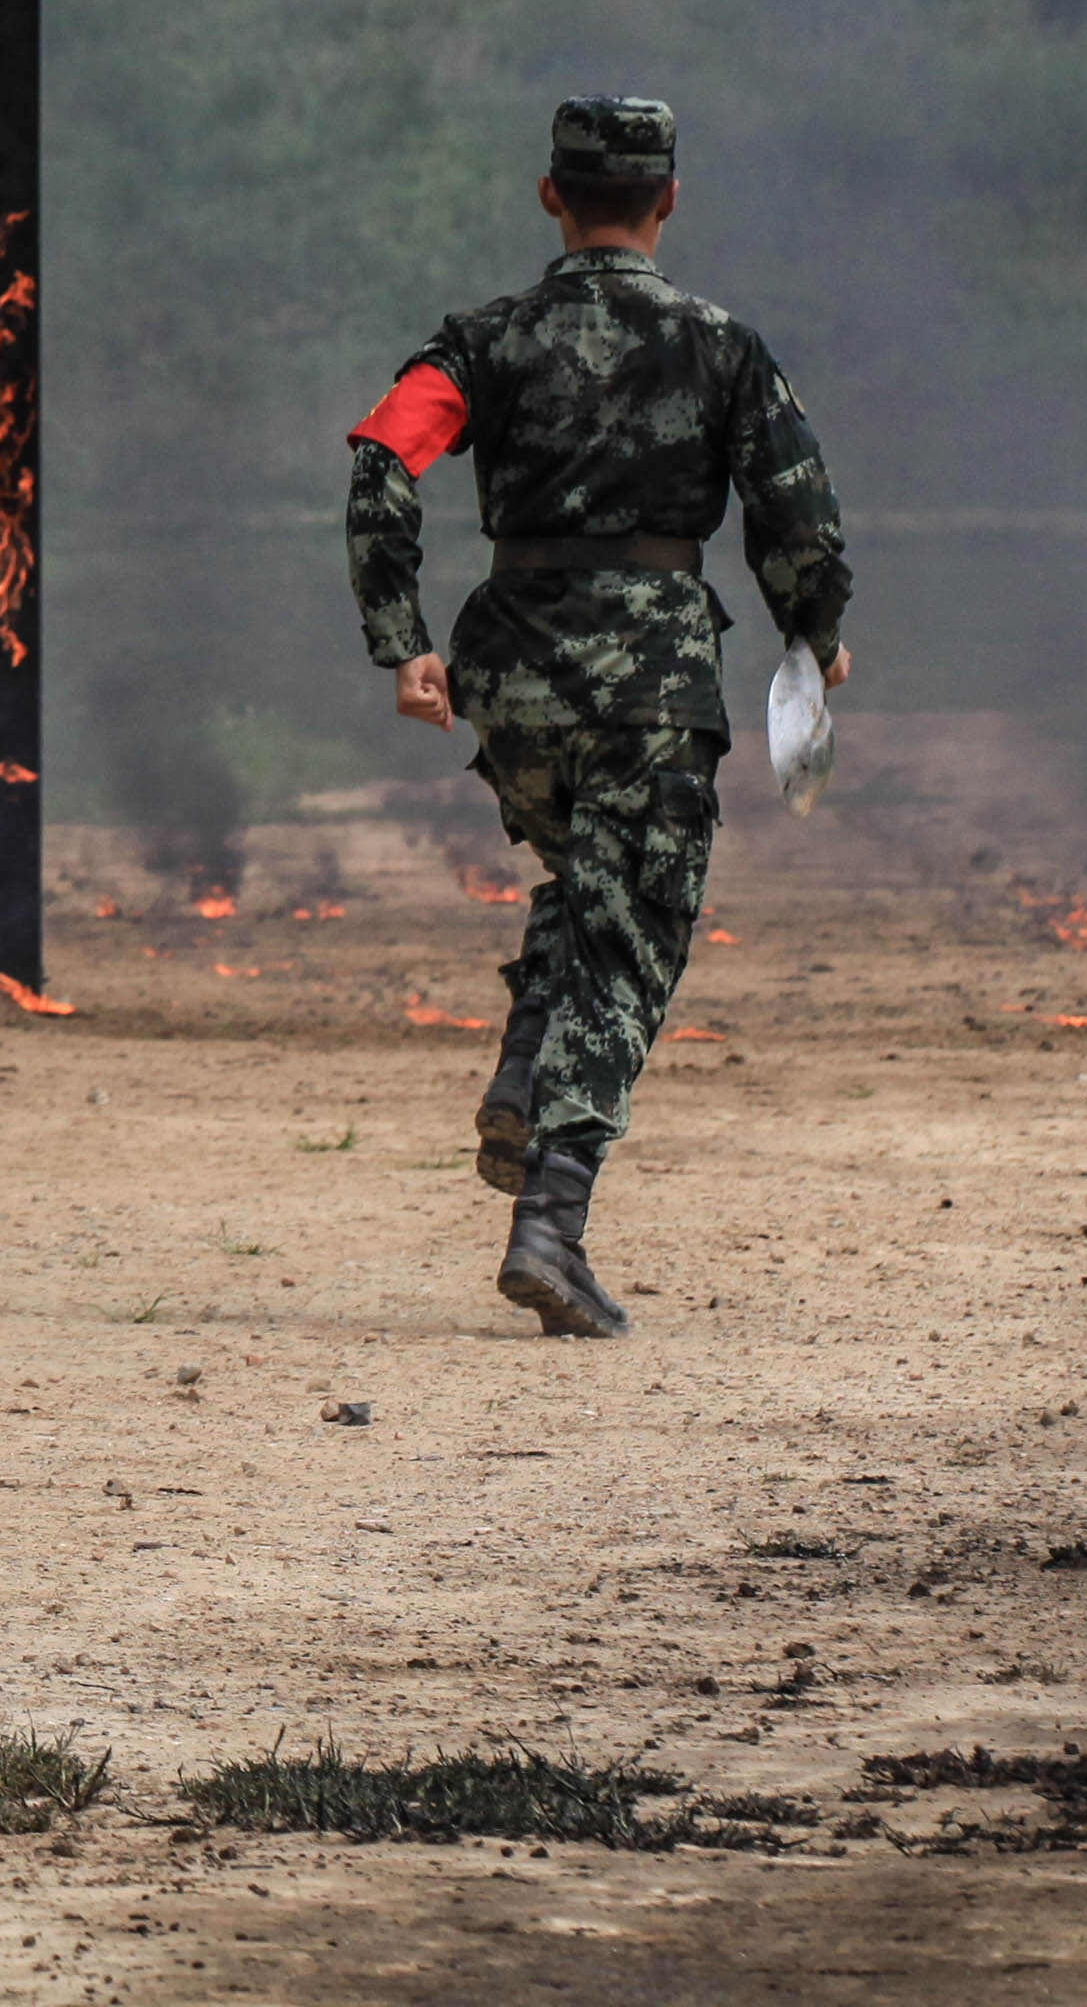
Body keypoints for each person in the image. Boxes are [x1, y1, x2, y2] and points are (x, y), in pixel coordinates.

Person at [349, 96, 849, 1338]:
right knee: (635, 938)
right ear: (668, 201)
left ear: (550, 196)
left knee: (589, 884)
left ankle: (524, 1074)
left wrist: (399, 640)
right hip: (649, 686)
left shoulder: (483, 342)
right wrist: (814, 632)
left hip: (509, 675)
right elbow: (795, 513)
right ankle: (552, 1225)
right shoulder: (724, 347)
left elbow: (379, 462)